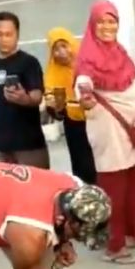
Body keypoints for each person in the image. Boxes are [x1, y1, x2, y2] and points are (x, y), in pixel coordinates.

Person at [75, 0, 135, 265]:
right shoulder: (87, 54)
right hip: (107, 125)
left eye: (111, 21)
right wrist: (85, 96)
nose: (106, 26)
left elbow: (132, 82)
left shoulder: (119, 51)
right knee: (114, 185)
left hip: (131, 123)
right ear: (92, 24)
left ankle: (134, 233)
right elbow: (83, 81)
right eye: (101, 21)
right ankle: (114, 246)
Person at [0, 11, 50, 169]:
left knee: (35, 190)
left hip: (29, 145)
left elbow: (37, 97)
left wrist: (23, 99)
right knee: (5, 193)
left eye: (8, 34)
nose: (3, 39)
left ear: (17, 35)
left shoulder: (29, 63)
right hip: (1, 148)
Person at [44, 27, 97, 184]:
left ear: (72, 44)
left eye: (64, 45)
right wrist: (54, 108)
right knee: (82, 168)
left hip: (96, 121)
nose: (61, 52)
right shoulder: (52, 73)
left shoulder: (89, 63)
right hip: (74, 126)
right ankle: (88, 202)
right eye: (55, 49)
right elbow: (56, 113)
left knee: (103, 166)